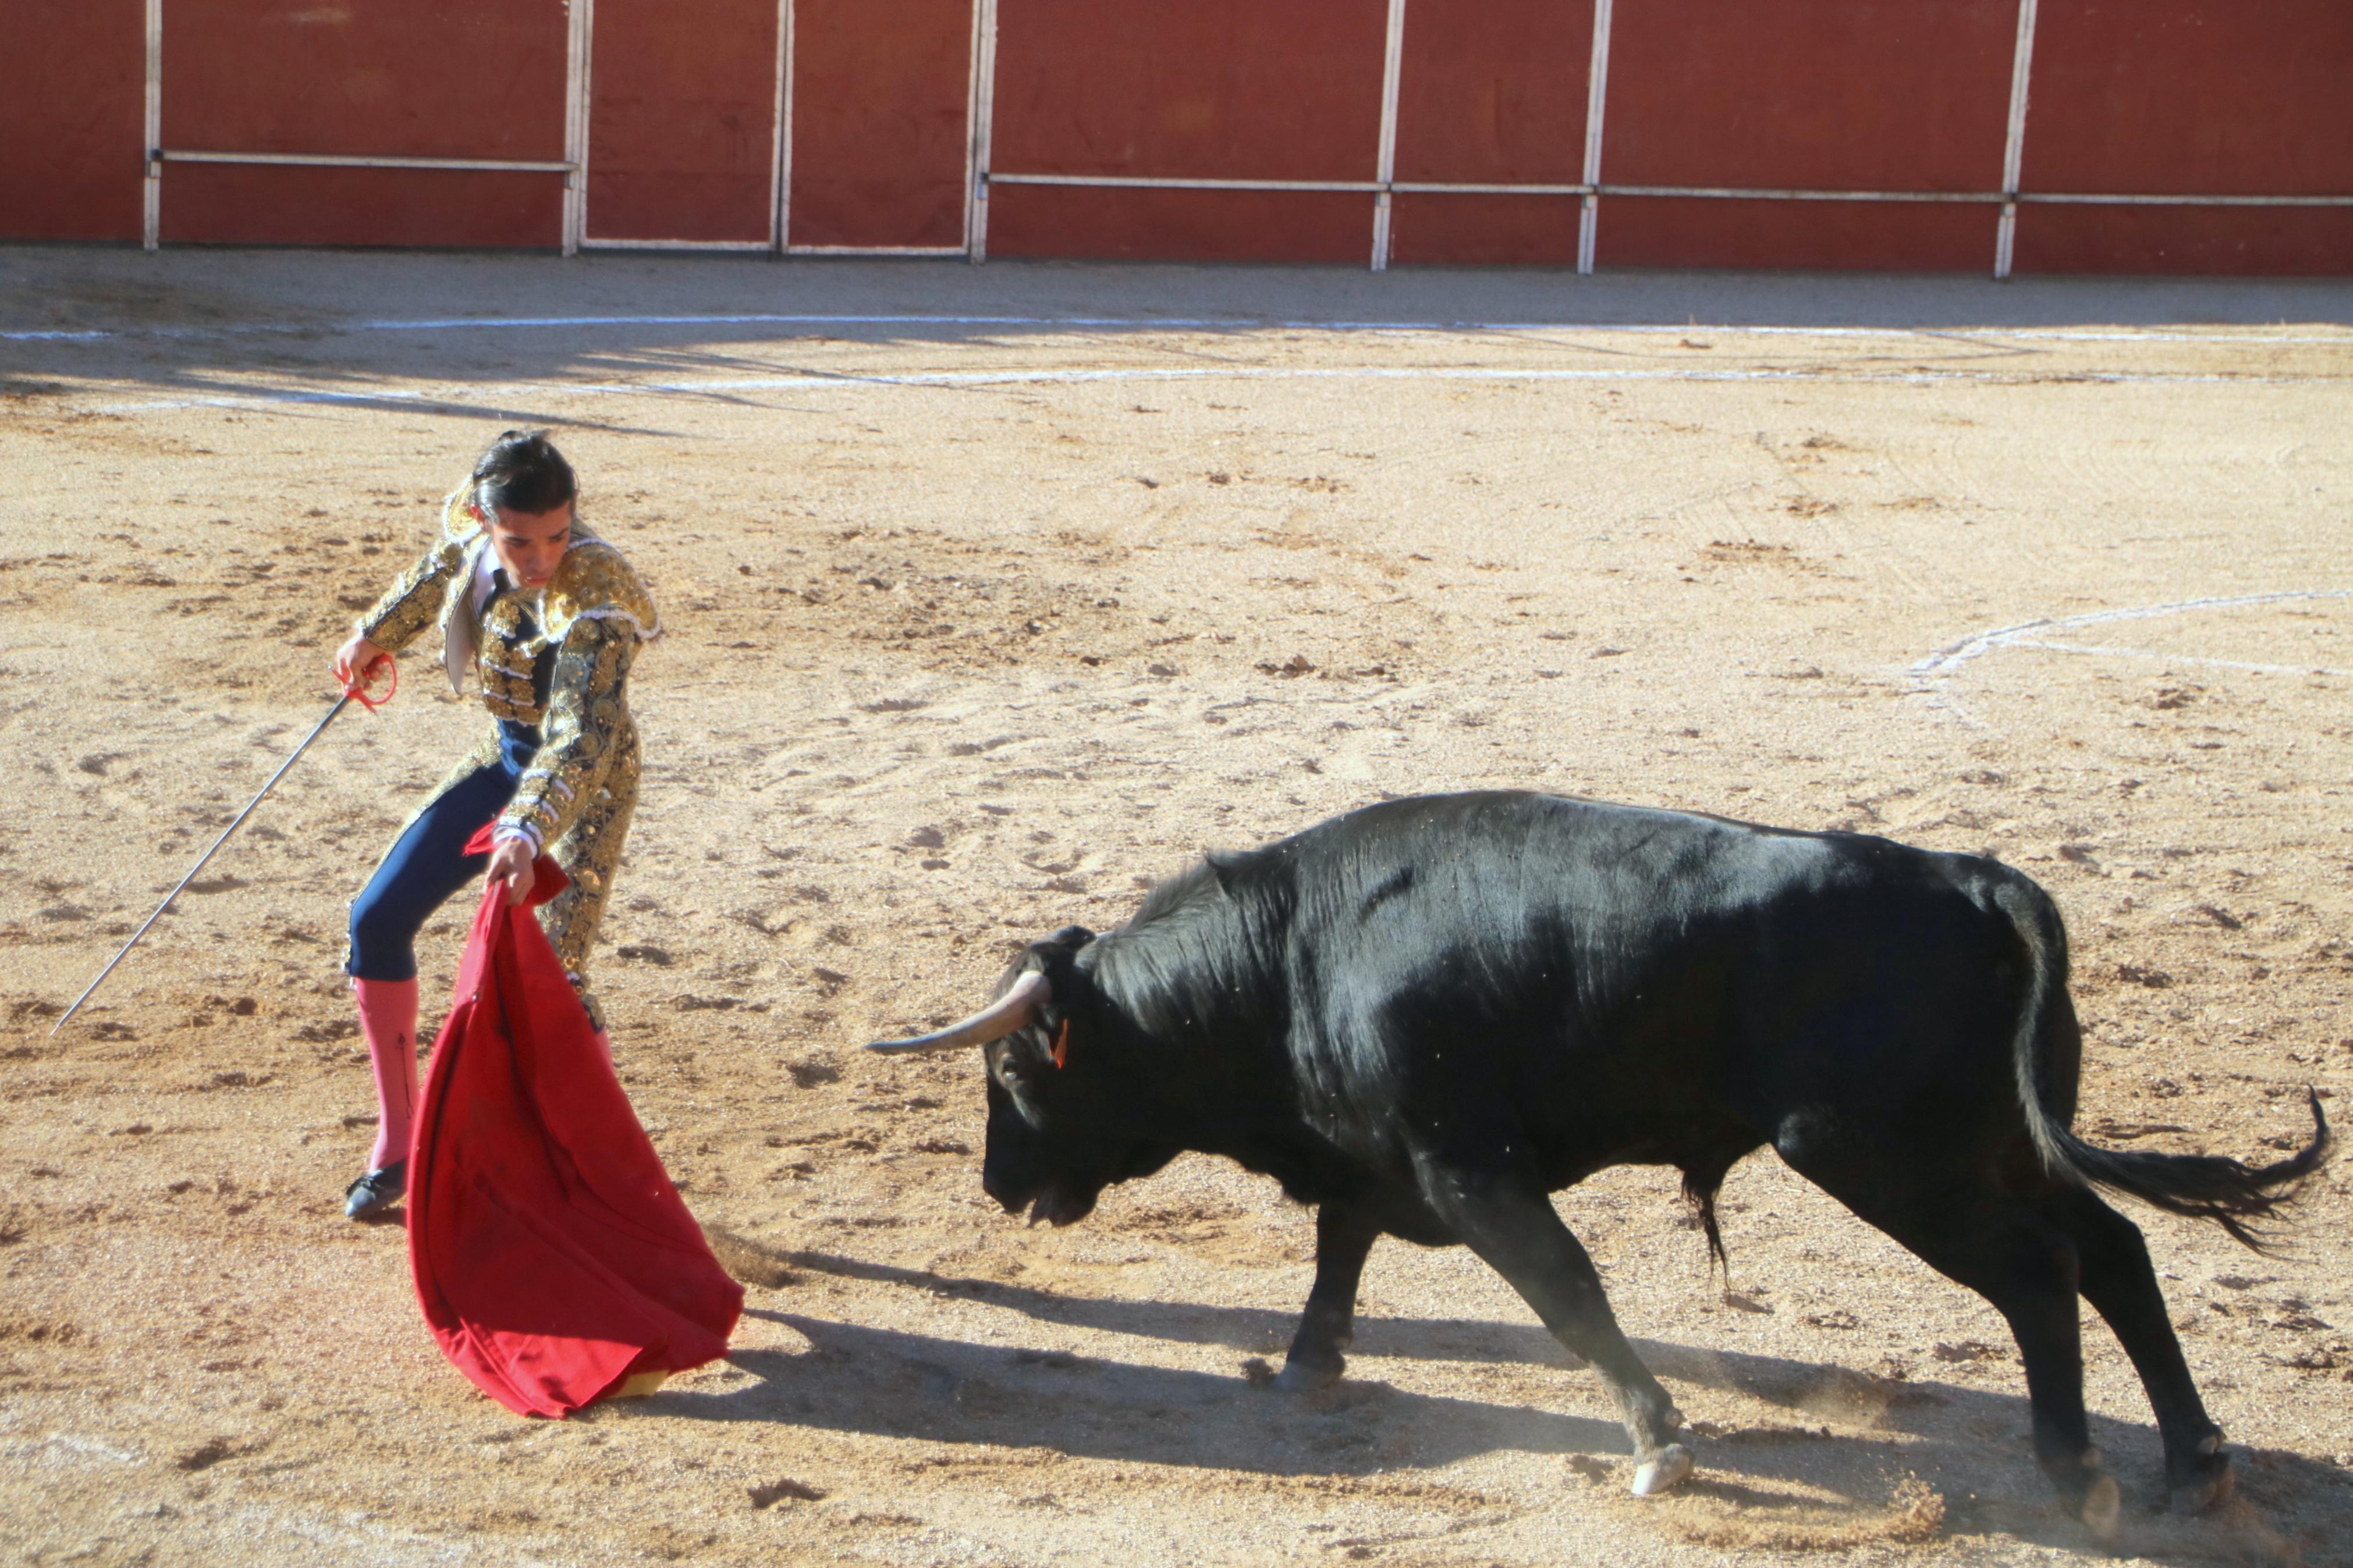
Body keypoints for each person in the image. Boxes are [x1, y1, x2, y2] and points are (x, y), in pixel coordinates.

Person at [329, 430, 658, 1220]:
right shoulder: (477, 533)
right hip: (505, 757)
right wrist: (375, 635)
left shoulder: (596, 595)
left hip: (585, 786)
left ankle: (597, 1176)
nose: (541, 557)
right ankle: (400, 1145)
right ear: (487, 518)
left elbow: (581, 735)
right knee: (376, 919)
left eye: (556, 535)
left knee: (556, 971)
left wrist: (526, 827)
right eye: (519, 540)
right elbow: (441, 570)